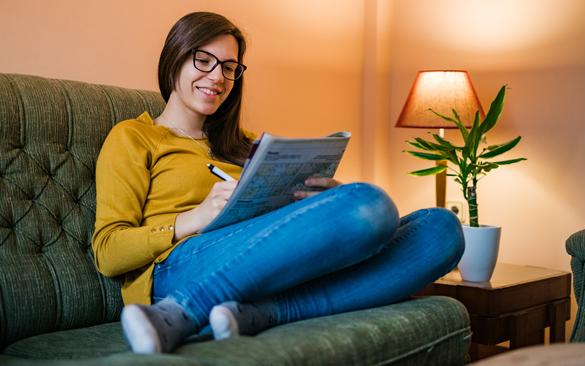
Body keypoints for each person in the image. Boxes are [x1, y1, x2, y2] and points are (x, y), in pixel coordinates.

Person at [92, 11, 464, 354]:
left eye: (229, 67)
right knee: (373, 204)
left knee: (442, 230)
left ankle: (265, 312)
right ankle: (183, 311)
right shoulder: (134, 137)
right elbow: (108, 252)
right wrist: (194, 219)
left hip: (266, 262)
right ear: (174, 58)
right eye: (202, 61)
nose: (217, 77)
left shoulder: (247, 146)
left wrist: (320, 201)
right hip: (179, 269)